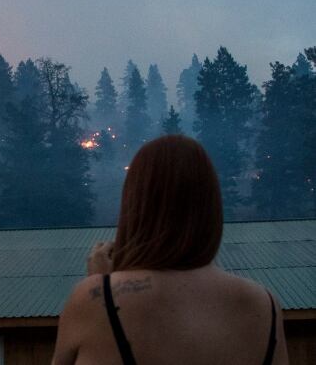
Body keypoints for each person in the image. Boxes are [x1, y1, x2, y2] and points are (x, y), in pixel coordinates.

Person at [51, 135, 288, 365]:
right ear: (210, 207)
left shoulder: (94, 298)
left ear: (136, 204)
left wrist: (104, 284)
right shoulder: (265, 305)